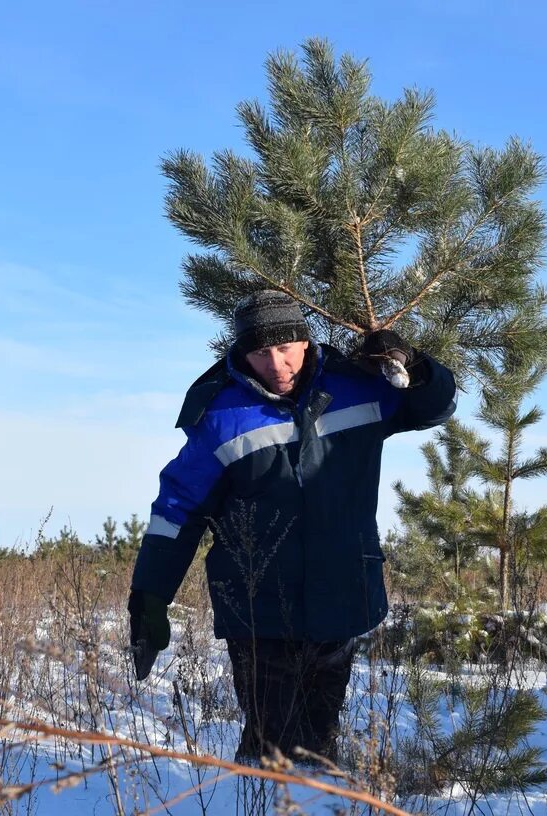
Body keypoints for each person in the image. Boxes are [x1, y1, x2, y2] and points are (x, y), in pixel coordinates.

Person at [128, 289, 457, 765]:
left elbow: (436, 408)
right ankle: (256, 793)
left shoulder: (359, 388)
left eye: (285, 347)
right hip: (258, 604)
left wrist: (416, 365)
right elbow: (178, 508)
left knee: (318, 740)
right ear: (243, 354)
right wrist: (151, 595)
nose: (276, 363)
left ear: (306, 342)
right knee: (273, 746)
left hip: (342, 592)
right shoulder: (220, 416)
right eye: (261, 352)